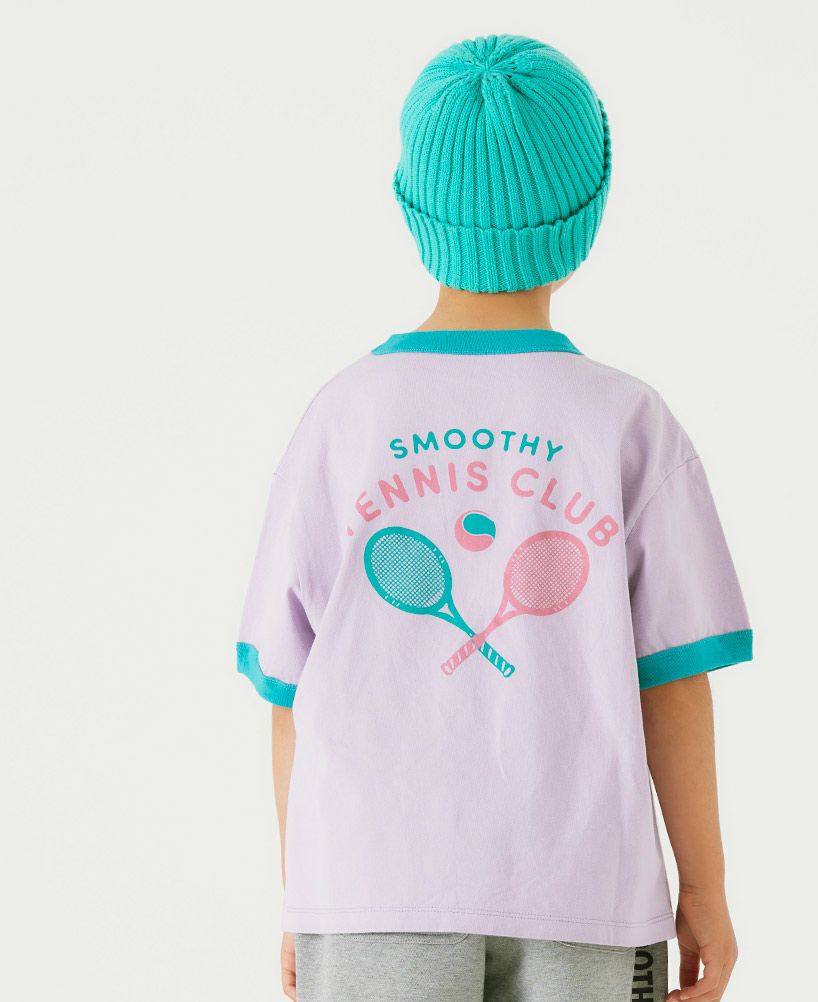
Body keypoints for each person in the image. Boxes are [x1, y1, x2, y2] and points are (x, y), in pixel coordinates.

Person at [237, 33, 753, 1002]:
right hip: (588, 892)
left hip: (371, 892)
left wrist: (307, 892)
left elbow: (287, 692)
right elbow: (675, 684)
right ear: (588, 208)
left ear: (412, 208)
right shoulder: (628, 423)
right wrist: (706, 890)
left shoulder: (340, 419)